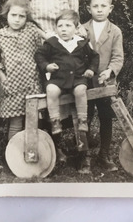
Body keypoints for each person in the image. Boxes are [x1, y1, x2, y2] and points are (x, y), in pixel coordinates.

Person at [35, 10, 99, 164]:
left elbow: (94, 57)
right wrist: (47, 66)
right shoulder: (52, 43)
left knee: (81, 90)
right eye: (60, 26)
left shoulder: (81, 43)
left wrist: (91, 69)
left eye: (68, 26)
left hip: (77, 79)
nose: (63, 29)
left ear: (76, 28)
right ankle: (55, 121)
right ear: (56, 28)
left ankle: (83, 120)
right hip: (59, 79)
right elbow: (39, 55)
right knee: (51, 90)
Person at [0, 0, 43, 141]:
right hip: (11, 87)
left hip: (31, 85)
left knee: (33, 121)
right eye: (13, 15)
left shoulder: (31, 31)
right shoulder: (0, 36)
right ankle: (13, 156)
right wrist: (1, 75)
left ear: (26, 18)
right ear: (6, 14)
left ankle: (32, 155)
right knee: (15, 123)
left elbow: (42, 52)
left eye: (21, 16)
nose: (17, 19)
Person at [81, 0, 124, 173]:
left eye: (103, 6)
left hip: (105, 83)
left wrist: (110, 71)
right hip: (86, 81)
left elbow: (118, 57)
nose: (99, 9)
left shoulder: (114, 31)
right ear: (89, 8)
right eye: (95, 6)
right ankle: (85, 156)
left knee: (106, 117)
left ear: (110, 8)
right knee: (85, 117)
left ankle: (104, 155)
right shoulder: (81, 29)